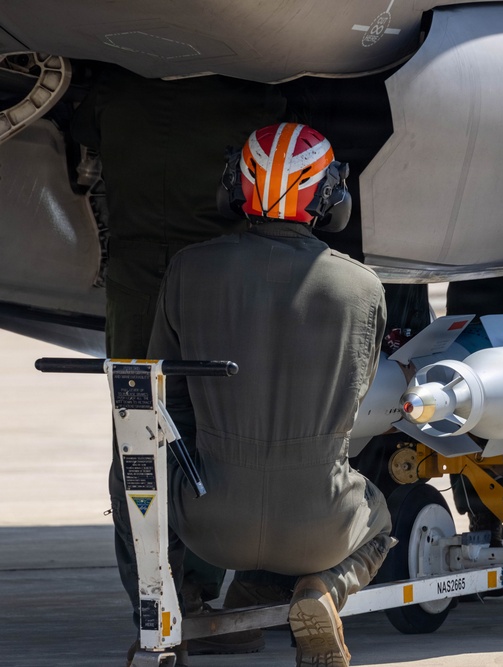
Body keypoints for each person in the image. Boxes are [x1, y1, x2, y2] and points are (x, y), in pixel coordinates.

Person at [145, 122, 392, 667]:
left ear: (237, 186)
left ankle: (175, 612)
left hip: (209, 524)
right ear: (331, 198)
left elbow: (161, 397)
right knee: (381, 523)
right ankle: (324, 589)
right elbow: (357, 398)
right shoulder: (363, 288)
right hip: (320, 527)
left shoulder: (189, 269)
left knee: (132, 467)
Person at [70, 65, 289, 653]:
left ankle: (160, 597)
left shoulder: (111, 85)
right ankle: (221, 591)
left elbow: (84, 152)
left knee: (136, 440)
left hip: (136, 280)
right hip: (217, 276)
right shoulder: (251, 82)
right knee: (220, 429)